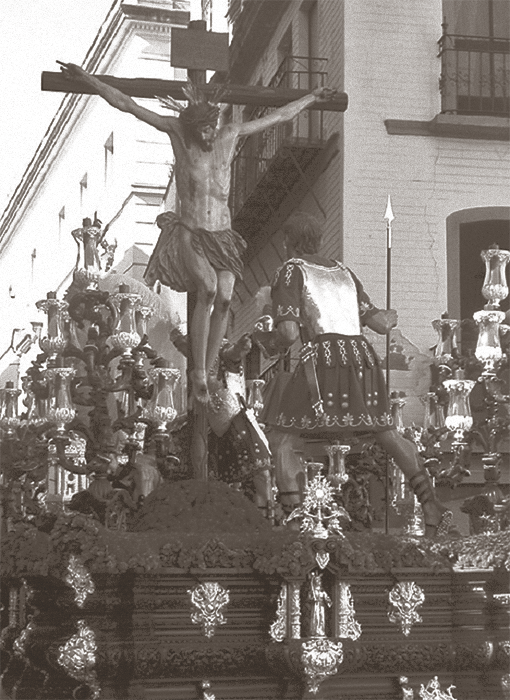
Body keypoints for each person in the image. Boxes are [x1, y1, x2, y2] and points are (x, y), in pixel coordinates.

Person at [60, 63, 338, 403]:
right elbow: (128, 104)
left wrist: (311, 97)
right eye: (202, 131)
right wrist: (88, 79)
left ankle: (207, 365)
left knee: (224, 297)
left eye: (211, 129)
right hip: (192, 232)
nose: (208, 136)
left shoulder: (229, 135)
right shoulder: (178, 134)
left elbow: (278, 117)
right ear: (192, 128)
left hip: (223, 235)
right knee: (206, 289)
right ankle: (199, 373)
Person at [257, 212, 452, 538]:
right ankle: (430, 502)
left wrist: (269, 343)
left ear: (287, 242)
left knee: (283, 437)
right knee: (386, 433)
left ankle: (296, 519)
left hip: (323, 360)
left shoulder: (291, 270)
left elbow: (289, 332)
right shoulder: (343, 271)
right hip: (362, 359)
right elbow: (380, 323)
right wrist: (391, 314)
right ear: (319, 241)